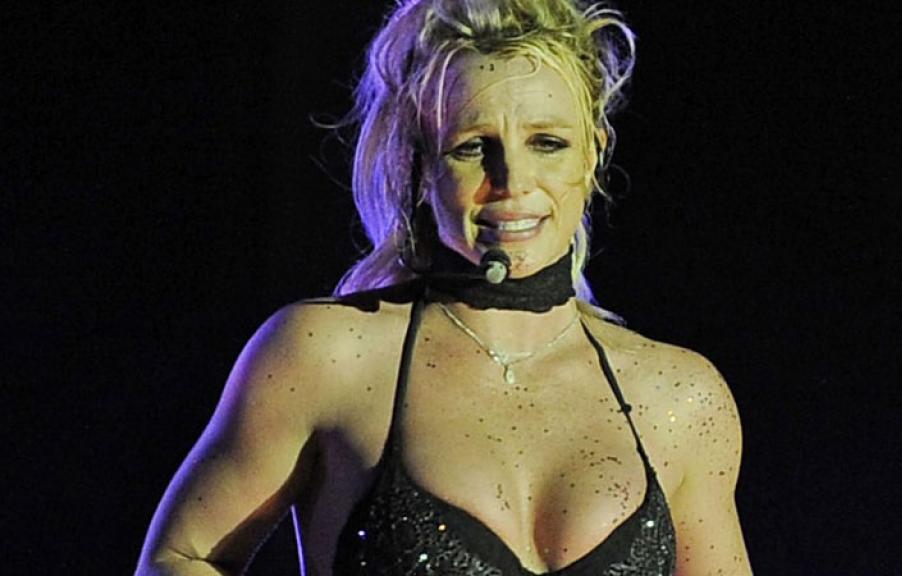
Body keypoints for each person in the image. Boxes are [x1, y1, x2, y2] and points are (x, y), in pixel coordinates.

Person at [137, 1, 752, 574]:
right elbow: (180, 557)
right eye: (473, 148)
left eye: (547, 143)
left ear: (592, 153)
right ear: (419, 163)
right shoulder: (326, 357)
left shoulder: (681, 399)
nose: (512, 180)